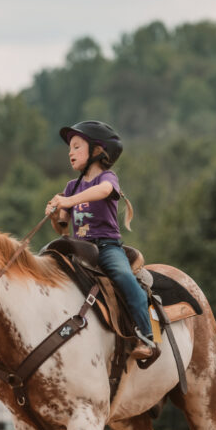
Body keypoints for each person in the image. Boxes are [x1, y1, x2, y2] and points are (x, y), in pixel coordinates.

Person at [45, 121, 157, 361]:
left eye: (76, 147)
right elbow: (63, 226)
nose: (70, 152)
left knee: (126, 278)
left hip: (106, 246)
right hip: (79, 248)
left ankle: (147, 338)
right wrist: (55, 212)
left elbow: (105, 191)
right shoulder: (71, 186)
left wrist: (68, 201)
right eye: (69, 149)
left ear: (97, 150)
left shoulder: (107, 177)